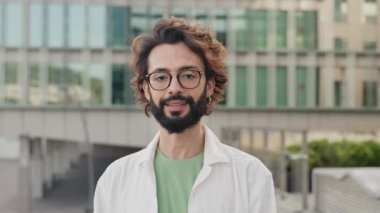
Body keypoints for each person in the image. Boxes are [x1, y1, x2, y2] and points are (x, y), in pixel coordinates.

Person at [94, 17, 276, 213]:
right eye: (161, 77)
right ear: (146, 89)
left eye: (188, 75)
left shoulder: (251, 176)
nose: (174, 88)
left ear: (209, 86)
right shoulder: (115, 179)